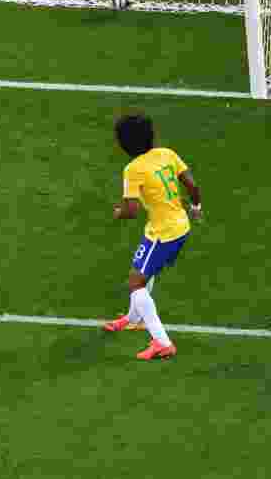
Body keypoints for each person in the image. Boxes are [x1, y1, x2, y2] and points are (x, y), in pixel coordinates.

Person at [104, 114, 202, 360]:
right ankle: (133, 319)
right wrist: (196, 208)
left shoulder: (133, 169)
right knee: (144, 271)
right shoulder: (167, 154)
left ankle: (161, 341)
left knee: (135, 282)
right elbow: (191, 185)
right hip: (179, 225)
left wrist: (119, 213)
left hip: (163, 233)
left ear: (123, 145)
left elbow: (132, 210)